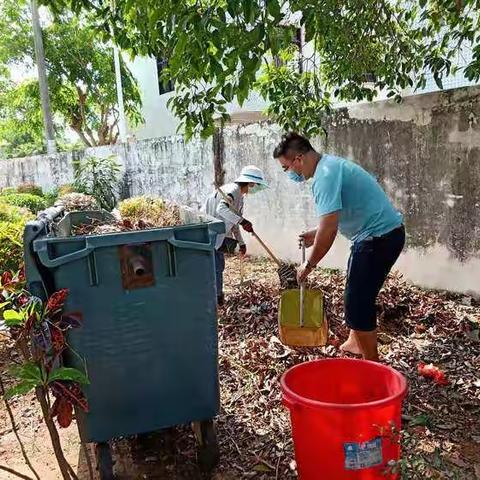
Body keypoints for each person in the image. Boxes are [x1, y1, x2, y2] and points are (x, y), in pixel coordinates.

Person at [273, 132, 405, 361]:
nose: (290, 174)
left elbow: (330, 228)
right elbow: (335, 217)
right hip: (380, 236)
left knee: (357, 303)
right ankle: (355, 342)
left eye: (286, 168)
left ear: (298, 159)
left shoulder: (324, 177)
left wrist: (309, 264)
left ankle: (373, 363)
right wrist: (317, 233)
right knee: (360, 290)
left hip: (378, 239)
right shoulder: (330, 167)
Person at [203, 165, 268, 306]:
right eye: (257, 185)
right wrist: (243, 221)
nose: (256, 189)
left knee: (218, 266)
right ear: (251, 183)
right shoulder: (232, 190)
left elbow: (234, 221)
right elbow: (221, 209)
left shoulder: (239, 195)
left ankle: (217, 296)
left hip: (217, 234)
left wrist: (241, 242)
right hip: (210, 233)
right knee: (215, 267)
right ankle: (216, 298)